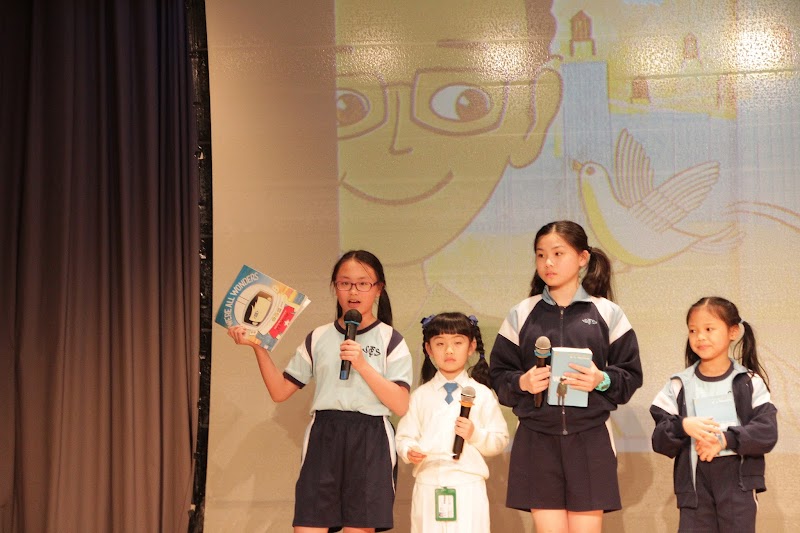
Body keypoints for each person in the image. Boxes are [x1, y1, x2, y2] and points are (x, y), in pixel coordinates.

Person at [228, 250, 413, 533]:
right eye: (345, 283)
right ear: (335, 287)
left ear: (378, 289)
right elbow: (279, 391)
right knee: (308, 524)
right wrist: (258, 347)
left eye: (363, 283)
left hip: (370, 437)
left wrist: (362, 365)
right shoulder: (318, 336)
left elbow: (400, 404)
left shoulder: (391, 339)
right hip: (324, 435)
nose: (354, 291)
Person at [489, 220, 643, 533]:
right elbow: (499, 375)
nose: (548, 262)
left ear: (582, 258)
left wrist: (601, 379)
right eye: (541, 255)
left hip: (590, 439)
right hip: (536, 439)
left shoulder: (607, 313)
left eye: (558, 254)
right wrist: (522, 382)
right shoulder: (521, 313)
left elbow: (630, 375)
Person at [650, 297, 778, 533]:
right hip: (695, 489)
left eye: (709, 329)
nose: (700, 337)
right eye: (693, 330)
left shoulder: (749, 382)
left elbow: (767, 432)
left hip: (738, 485)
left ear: (733, 331)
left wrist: (725, 440)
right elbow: (659, 440)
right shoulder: (679, 384)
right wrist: (682, 426)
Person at [395, 312, 509, 532]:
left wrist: (475, 434)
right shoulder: (420, 395)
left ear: (471, 346)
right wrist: (409, 450)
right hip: (428, 485)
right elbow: (404, 436)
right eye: (440, 343)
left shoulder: (482, 394)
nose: (449, 350)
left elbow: (500, 439)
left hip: (468, 485)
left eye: (457, 343)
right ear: (428, 349)